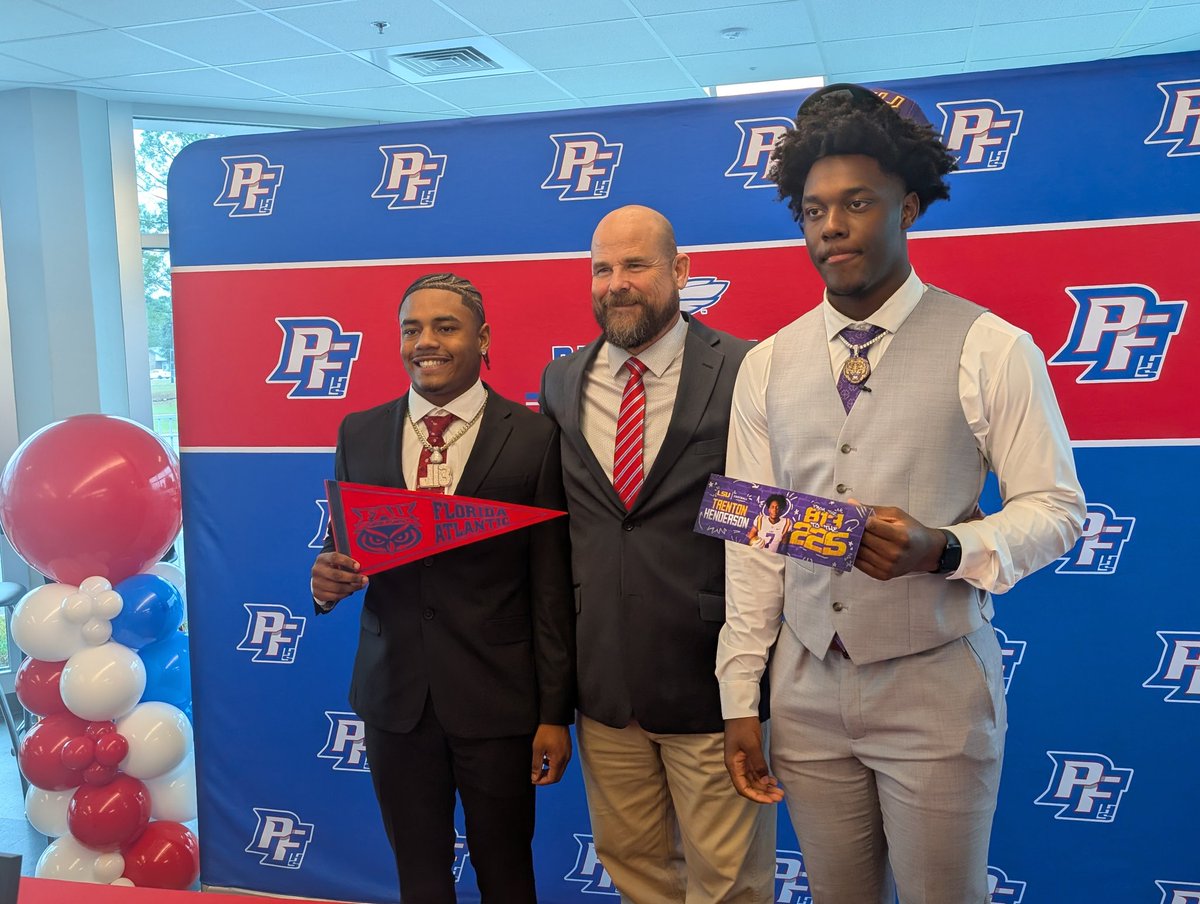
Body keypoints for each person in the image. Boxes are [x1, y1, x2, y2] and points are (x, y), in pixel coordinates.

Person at [716, 85, 1087, 904]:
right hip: (806, 686)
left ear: (908, 207)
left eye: (857, 203)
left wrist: (948, 548)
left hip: (933, 685)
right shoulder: (766, 365)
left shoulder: (992, 347)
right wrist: (741, 694)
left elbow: (1058, 509)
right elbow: (755, 542)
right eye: (814, 210)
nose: (831, 227)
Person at [310, 273, 574, 903]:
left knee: (507, 876)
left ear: (483, 339)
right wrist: (325, 583)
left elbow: (551, 590)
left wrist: (553, 714)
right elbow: (345, 545)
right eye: (411, 329)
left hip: (498, 700)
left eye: (445, 327)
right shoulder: (359, 432)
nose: (425, 342)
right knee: (419, 877)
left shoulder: (535, 438)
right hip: (395, 698)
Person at [540, 205, 775, 903]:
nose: (616, 282)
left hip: (711, 685)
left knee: (729, 887)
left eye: (635, 265)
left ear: (680, 270)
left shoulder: (746, 368)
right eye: (602, 268)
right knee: (634, 872)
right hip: (604, 689)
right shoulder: (561, 381)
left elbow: (771, 521)